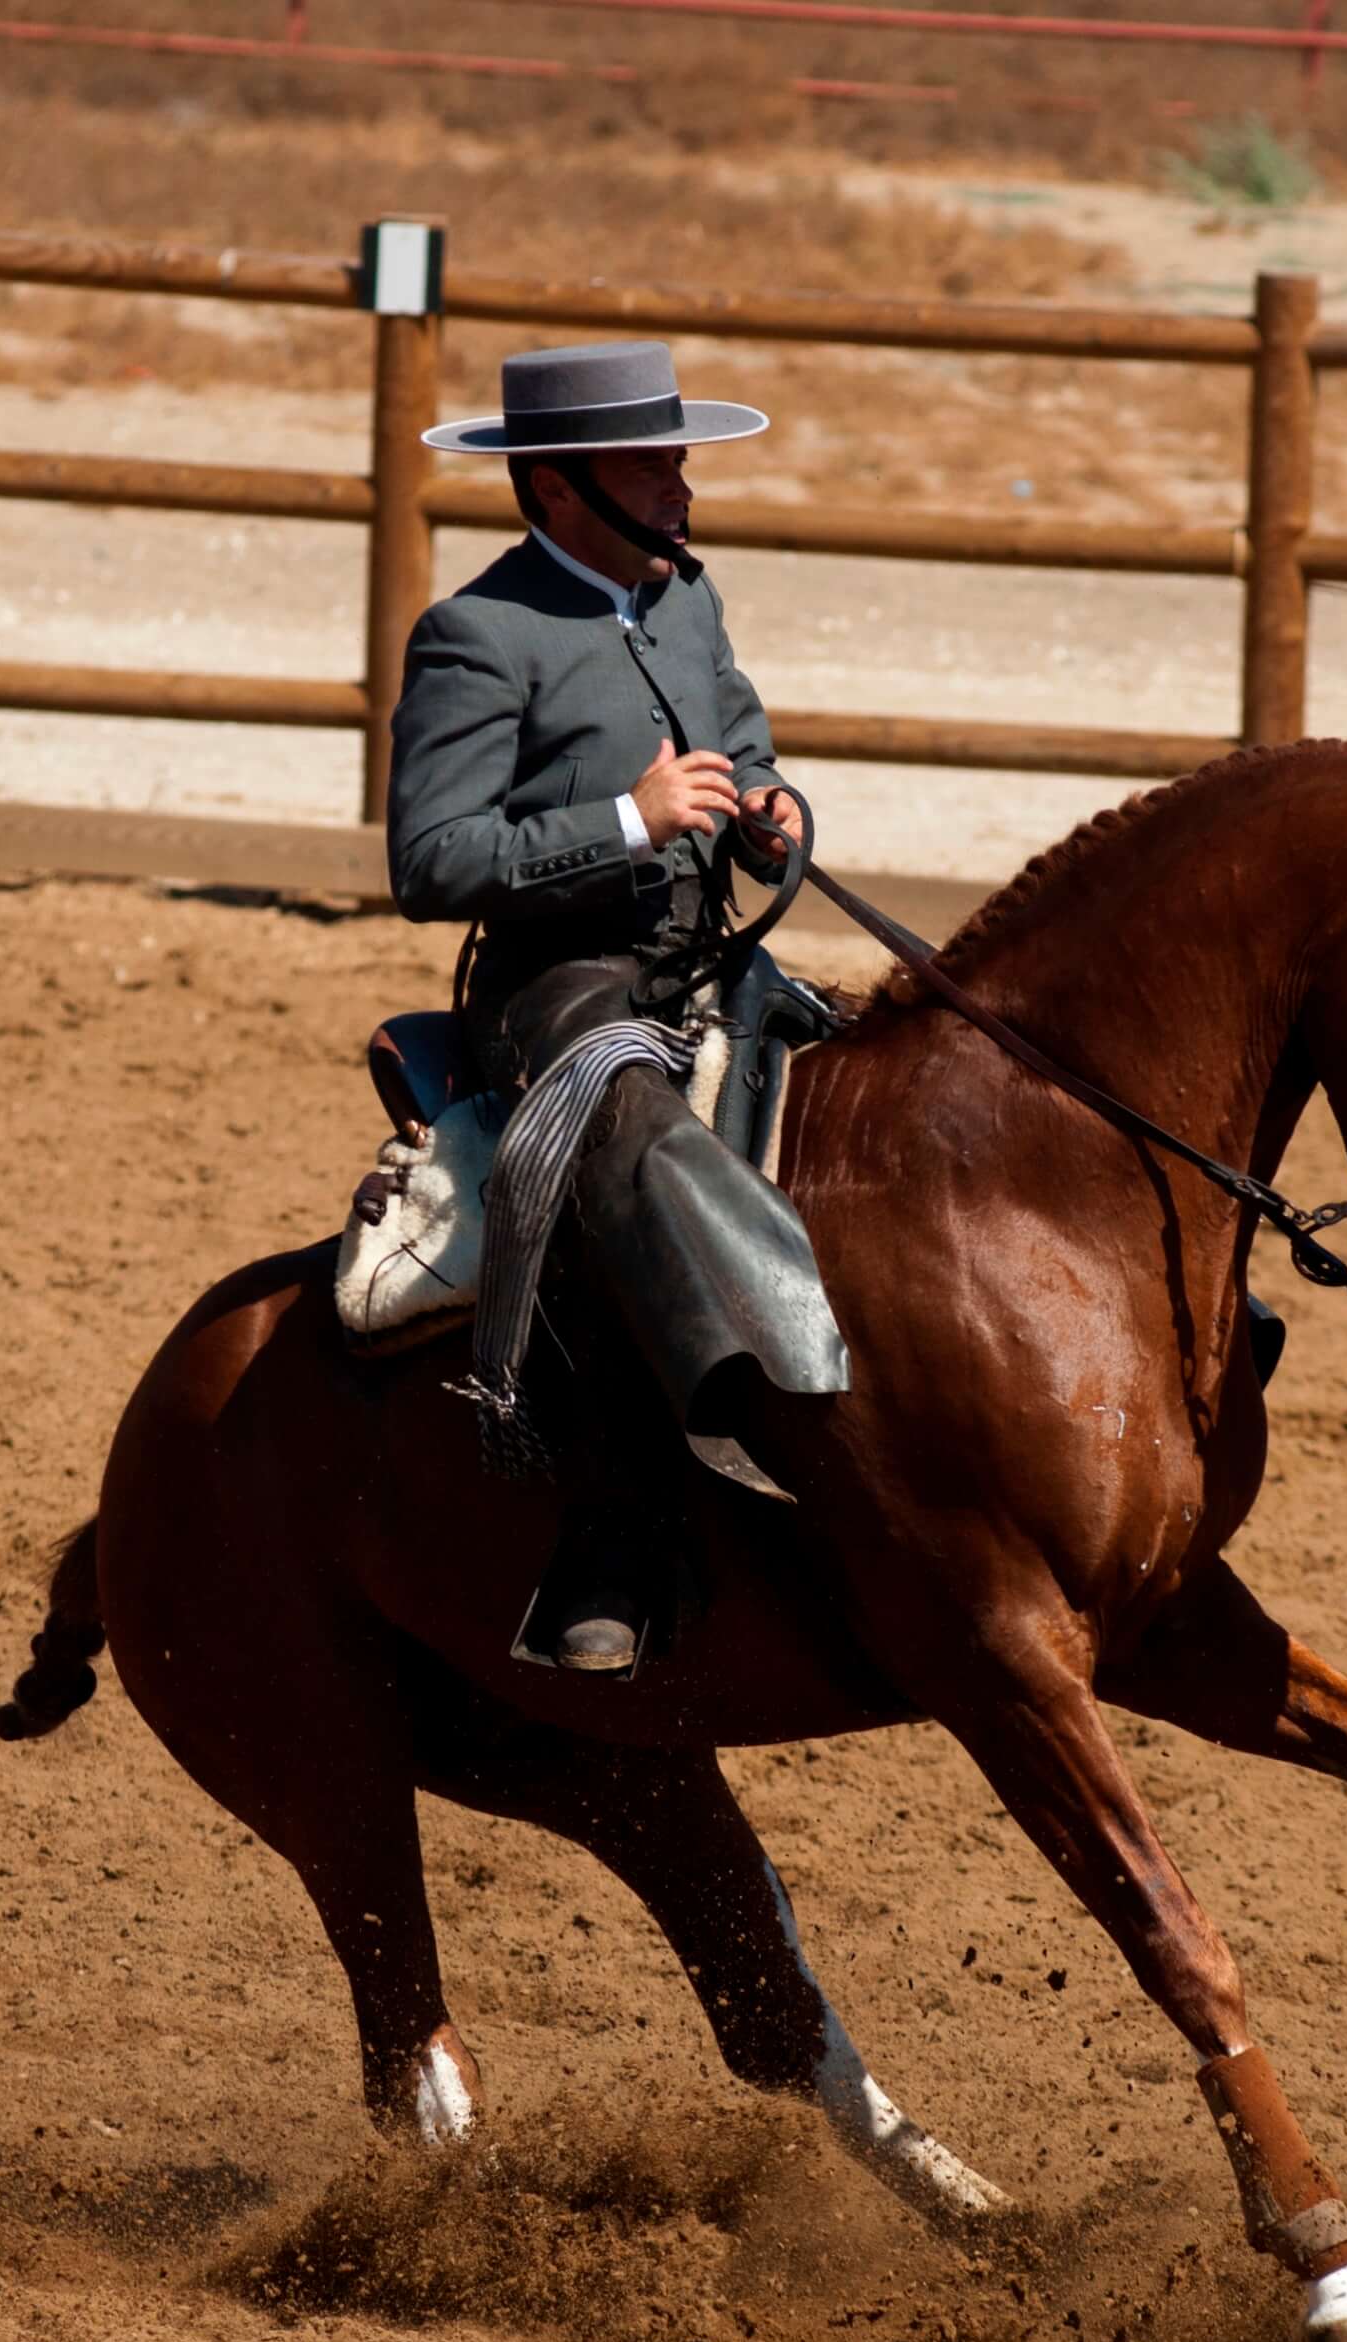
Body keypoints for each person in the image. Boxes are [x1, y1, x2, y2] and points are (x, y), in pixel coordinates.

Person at [386, 340, 848, 1676]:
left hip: (704, 958)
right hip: (558, 984)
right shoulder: (478, 635)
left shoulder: (687, 596)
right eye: (653, 461)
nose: (682, 481)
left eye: (678, 454)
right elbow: (429, 863)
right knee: (641, 1138)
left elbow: (744, 744)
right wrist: (623, 822)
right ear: (560, 480)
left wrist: (767, 817)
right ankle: (630, 1517)